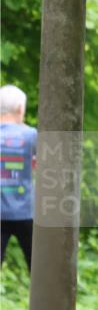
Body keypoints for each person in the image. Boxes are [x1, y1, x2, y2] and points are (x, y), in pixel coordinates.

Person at [1, 85, 37, 271]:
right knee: (40, 270)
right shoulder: (31, 135)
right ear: (20, 109)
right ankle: (45, 301)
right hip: (26, 212)